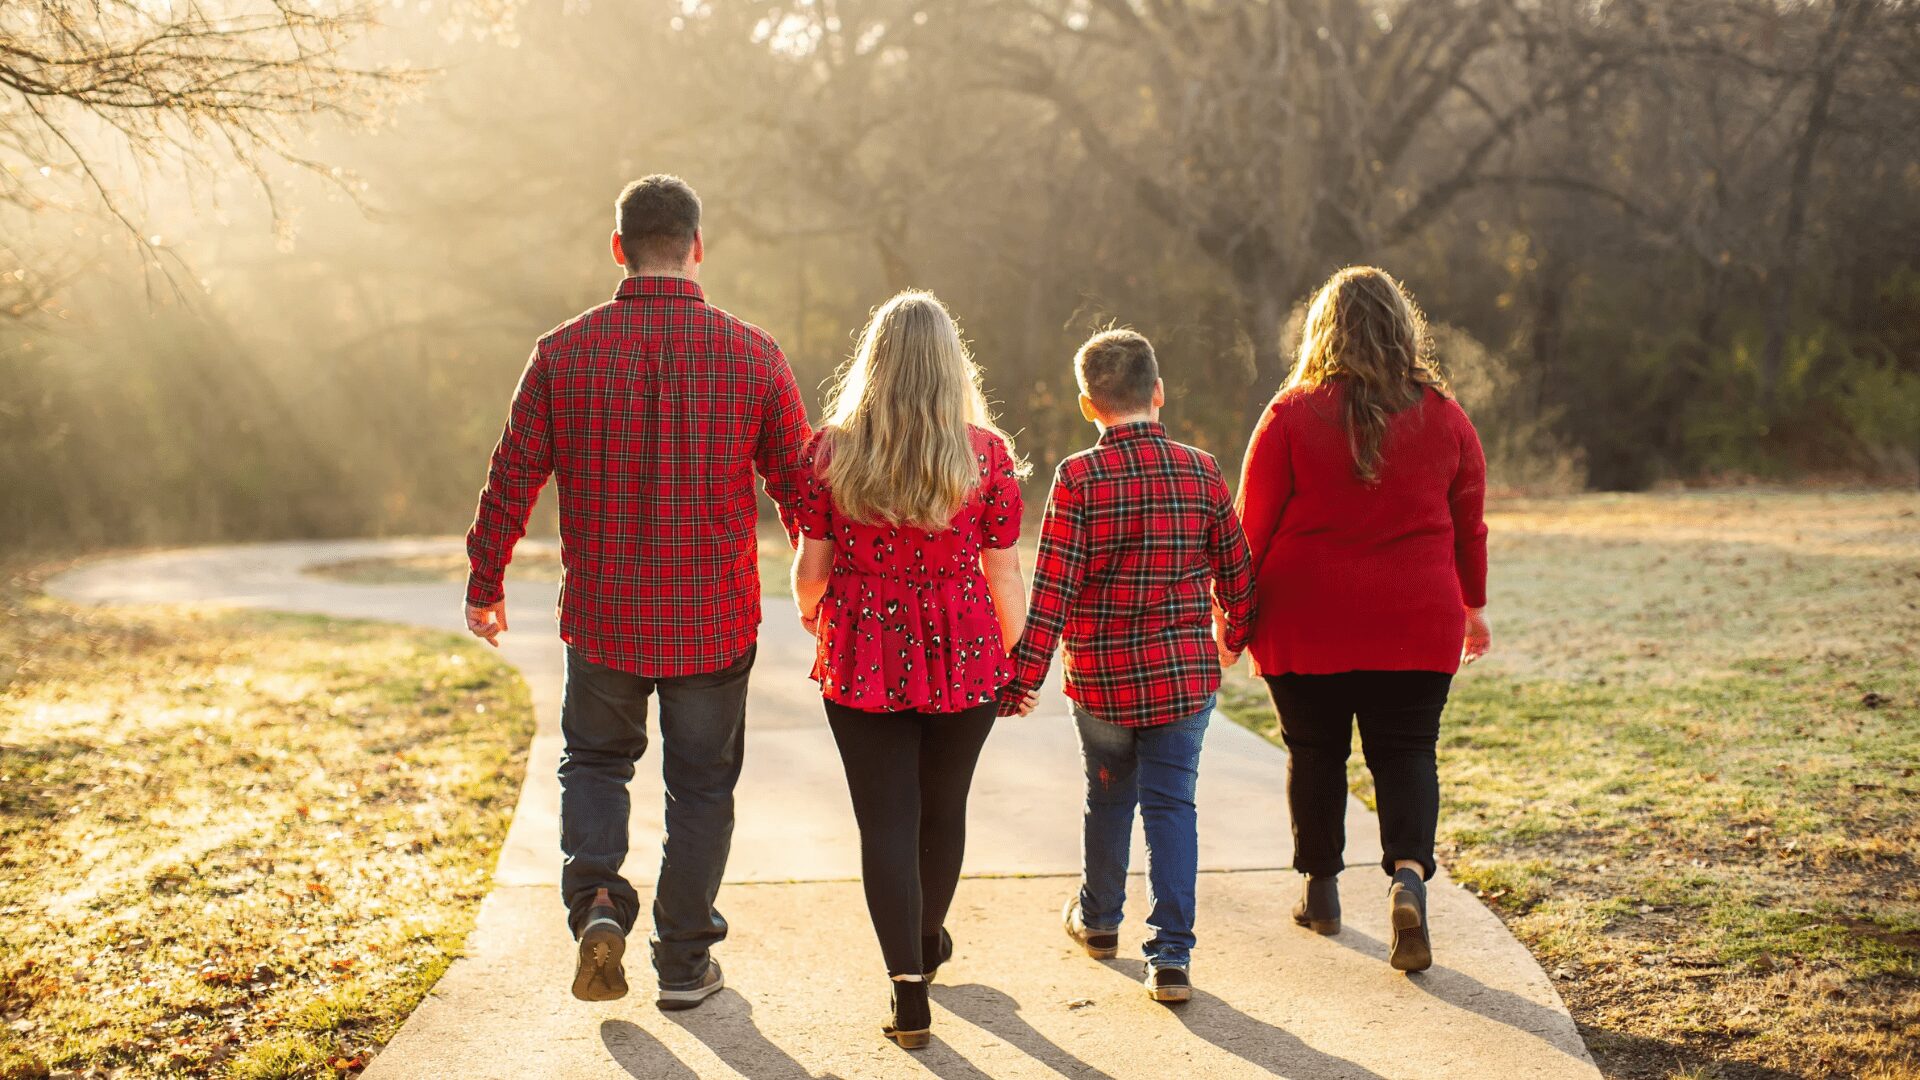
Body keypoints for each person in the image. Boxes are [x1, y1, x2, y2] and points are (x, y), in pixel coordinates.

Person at [462, 174, 812, 1009]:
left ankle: (598, 908)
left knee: (594, 763)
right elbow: (799, 486)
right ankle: (685, 965)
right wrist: (820, 587)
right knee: (700, 788)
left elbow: (511, 476)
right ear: (698, 248)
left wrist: (487, 577)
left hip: (605, 615)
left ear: (617, 249)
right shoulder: (753, 354)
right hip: (714, 617)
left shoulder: (564, 351)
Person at [789, 290, 1029, 1049]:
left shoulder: (831, 450)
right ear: (951, 366)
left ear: (876, 362)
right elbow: (1003, 576)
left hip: (863, 650)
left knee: (884, 821)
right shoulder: (984, 455)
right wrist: (1018, 660)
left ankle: (908, 988)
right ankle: (925, 941)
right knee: (943, 809)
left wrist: (812, 612)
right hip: (964, 649)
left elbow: (810, 566)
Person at [1234, 266, 1490, 973]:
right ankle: (1408, 879)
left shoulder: (1290, 414)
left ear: (1323, 330)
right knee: (1407, 752)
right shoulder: (1446, 416)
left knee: (1314, 753)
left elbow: (1250, 533)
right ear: (1403, 329)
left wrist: (1234, 615)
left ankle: (1320, 891)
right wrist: (1473, 607)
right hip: (1415, 619)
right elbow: (1469, 527)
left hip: (1305, 618)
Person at [995, 328, 1257, 1004]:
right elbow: (1237, 570)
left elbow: (1052, 591)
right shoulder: (1201, 470)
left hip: (1104, 684)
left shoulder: (1079, 478)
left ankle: (1101, 920)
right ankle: (1171, 957)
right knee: (1172, 806)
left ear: (1088, 405)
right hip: (1181, 680)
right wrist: (1236, 632)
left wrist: (1022, 679)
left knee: (1107, 797)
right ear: (1158, 393)